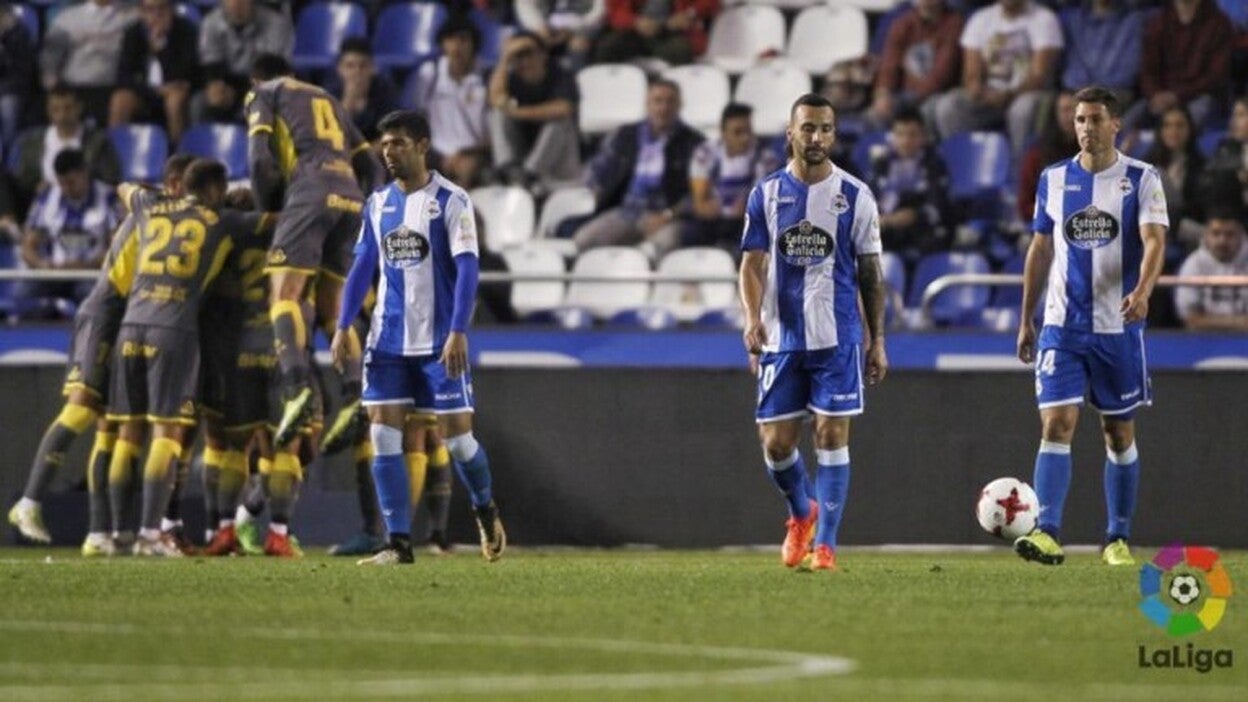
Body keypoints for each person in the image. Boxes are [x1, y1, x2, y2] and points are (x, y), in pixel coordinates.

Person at [331, 109, 505, 565]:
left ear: (423, 146)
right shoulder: (377, 203)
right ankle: (398, 544)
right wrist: (344, 323)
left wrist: (458, 330)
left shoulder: (451, 200)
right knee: (383, 433)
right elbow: (363, 265)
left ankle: (484, 507)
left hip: (439, 342)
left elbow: (468, 268)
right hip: (387, 340)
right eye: (384, 144)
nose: (389, 152)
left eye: (399, 143)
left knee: (458, 442)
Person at [1014, 86, 1168, 568]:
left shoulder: (1141, 178)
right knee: (1056, 422)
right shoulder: (1054, 178)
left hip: (1117, 328)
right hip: (1062, 326)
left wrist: (1142, 291)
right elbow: (1040, 248)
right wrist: (1026, 317)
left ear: (1115, 124)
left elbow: (1154, 240)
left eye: (1096, 119)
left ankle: (1117, 537)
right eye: (1080, 119)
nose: (1086, 128)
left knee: (1117, 433)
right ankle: (1046, 531)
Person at [7, 155, 193, 554]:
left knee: (111, 425)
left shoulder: (156, 211)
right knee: (81, 408)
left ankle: (99, 532)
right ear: (177, 184)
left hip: (127, 316)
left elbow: (126, 189)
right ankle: (29, 501)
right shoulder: (160, 212)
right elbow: (127, 190)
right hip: (105, 312)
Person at [739, 93, 888, 572]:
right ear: (791, 133)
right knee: (776, 444)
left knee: (831, 434)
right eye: (808, 128)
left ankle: (826, 545)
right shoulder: (766, 193)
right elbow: (752, 264)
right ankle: (802, 512)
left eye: (825, 128)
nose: (817, 137)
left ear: (834, 135)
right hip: (782, 339)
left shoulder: (856, 196)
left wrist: (878, 340)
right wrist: (752, 318)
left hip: (837, 337)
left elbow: (871, 273)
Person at [105, 158, 275, 556]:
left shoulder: (150, 205)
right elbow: (275, 221)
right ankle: (150, 533)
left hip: (131, 325)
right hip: (173, 328)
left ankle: (115, 534)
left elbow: (123, 187)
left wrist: (157, 196)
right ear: (215, 189)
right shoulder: (223, 220)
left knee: (128, 435)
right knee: (167, 435)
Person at [245, 53, 383, 449]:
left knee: (285, 295)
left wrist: (269, 209)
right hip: (351, 198)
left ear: (256, 80)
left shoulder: (265, 94)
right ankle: (355, 394)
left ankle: (296, 389)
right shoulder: (327, 97)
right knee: (333, 307)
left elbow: (260, 159)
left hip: (308, 192)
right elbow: (372, 165)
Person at [574, 79, 703, 256]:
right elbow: (596, 169)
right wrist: (597, 189)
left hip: (668, 215)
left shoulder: (694, 143)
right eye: (658, 101)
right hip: (628, 210)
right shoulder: (625, 135)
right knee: (584, 240)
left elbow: (700, 193)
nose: (663, 108)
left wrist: (668, 215)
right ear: (647, 104)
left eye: (670, 101)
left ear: (680, 105)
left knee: (662, 245)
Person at [929, 0, 1063, 156]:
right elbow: (971, 73)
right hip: (988, 96)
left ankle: (1019, 166)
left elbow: (1039, 76)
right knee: (948, 106)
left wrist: (1009, 95)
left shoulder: (1044, 19)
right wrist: (977, 90)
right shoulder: (981, 19)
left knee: (1022, 109)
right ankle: (961, 162)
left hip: (1028, 94)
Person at [18, 149, 123, 316]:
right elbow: (28, 247)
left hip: (91, 274)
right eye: (62, 183)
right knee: (22, 296)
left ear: (84, 173)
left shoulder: (108, 198)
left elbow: (118, 248)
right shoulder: (47, 198)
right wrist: (43, 265)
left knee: (94, 301)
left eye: (71, 182)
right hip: (53, 274)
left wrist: (86, 266)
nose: (66, 188)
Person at [487, 32, 581, 188]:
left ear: (543, 54)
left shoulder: (560, 73)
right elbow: (496, 100)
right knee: (498, 115)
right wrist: (504, 59)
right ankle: (507, 169)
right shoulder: (512, 78)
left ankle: (530, 174)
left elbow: (563, 109)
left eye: (529, 53)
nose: (524, 61)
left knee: (559, 121)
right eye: (518, 56)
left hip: (560, 159)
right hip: (525, 153)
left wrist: (518, 113)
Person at [1125, 0, 1233, 135]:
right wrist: (1154, 94)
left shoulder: (1219, 24)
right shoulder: (1158, 22)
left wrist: (1176, 96)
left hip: (1199, 96)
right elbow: (1147, 69)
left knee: (1192, 118)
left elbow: (1215, 75)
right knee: (1125, 124)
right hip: (1160, 96)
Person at [406, 16, 489, 188]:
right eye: (451, 39)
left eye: (463, 40)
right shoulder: (430, 74)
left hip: (474, 153)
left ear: (474, 44)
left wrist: (466, 154)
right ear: (443, 44)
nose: (456, 46)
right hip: (434, 152)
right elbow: (417, 119)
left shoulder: (486, 77)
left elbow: (492, 133)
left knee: (466, 168)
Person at [686, 103, 779, 252]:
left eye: (748, 131)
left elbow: (760, 202)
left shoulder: (765, 158)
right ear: (723, 133)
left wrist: (747, 208)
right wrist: (712, 209)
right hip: (712, 221)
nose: (745, 138)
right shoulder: (705, 154)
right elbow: (700, 204)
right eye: (738, 132)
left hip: (746, 222)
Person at [867, 108, 954, 265]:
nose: (906, 141)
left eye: (912, 135)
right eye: (900, 134)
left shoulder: (933, 165)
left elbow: (937, 207)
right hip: (885, 228)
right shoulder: (882, 164)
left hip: (919, 230)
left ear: (923, 137)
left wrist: (915, 216)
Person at [11, 87, 121, 204]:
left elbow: (110, 179)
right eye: (56, 109)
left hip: (89, 204)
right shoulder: (33, 142)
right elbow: (24, 180)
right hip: (44, 204)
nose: (62, 115)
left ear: (79, 108)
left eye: (68, 108)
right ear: (48, 111)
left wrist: (84, 187)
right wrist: (36, 186)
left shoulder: (97, 141)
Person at [111, 0, 201, 142]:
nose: (156, 14)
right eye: (150, 9)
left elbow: (186, 73)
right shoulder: (133, 33)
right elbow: (123, 77)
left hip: (175, 93)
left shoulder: (187, 31)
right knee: (120, 99)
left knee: (175, 100)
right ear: (141, 12)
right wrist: (153, 90)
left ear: (171, 9)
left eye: (162, 8)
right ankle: (114, 150)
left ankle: (178, 152)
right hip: (144, 93)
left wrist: (161, 49)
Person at [38, 0, 137, 125]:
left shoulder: (131, 16)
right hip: (74, 88)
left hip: (111, 89)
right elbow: (49, 60)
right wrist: (53, 90)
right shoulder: (67, 19)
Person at [868, 0, 964, 128]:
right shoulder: (902, 24)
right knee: (875, 114)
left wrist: (910, 99)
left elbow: (942, 74)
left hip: (937, 95)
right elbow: (889, 67)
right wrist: (883, 94)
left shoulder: (954, 24)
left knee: (929, 110)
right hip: (903, 95)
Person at [196, 0, 293, 123]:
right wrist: (217, 86)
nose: (236, 4)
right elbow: (212, 64)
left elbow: (273, 72)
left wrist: (239, 93)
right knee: (199, 103)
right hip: (227, 87)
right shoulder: (211, 23)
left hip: (263, 88)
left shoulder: (275, 24)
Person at [1174, 209, 1248, 331]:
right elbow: (1190, 319)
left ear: (1241, 236)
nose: (1222, 241)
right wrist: (1241, 322)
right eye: (1216, 233)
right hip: (1202, 338)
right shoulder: (1193, 264)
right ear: (1206, 236)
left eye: (1230, 234)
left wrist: (1206, 321)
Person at [593, 0, 717, 66]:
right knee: (607, 48)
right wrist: (635, 22)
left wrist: (689, 14)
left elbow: (712, 2)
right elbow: (614, 11)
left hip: (670, 32)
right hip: (634, 31)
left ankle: (671, 97)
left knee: (682, 52)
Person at [1018, 91, 1078, 223]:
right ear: (1055, 114)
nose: (1071, 117)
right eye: (1065, 110)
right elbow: (1025, 205)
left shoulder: (1096, 152)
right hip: (1047, 223)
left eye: (1076, 110)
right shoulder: (1037, 153)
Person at [329, 38, 399, 143]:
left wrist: (367, 151)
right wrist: (348, 102)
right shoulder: (330, 94)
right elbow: (331, 136)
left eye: (363, 66)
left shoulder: (385, 92)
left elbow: (393, 133)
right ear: (340, 69)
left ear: (373, 68)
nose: (357, 72)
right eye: (350, 66)